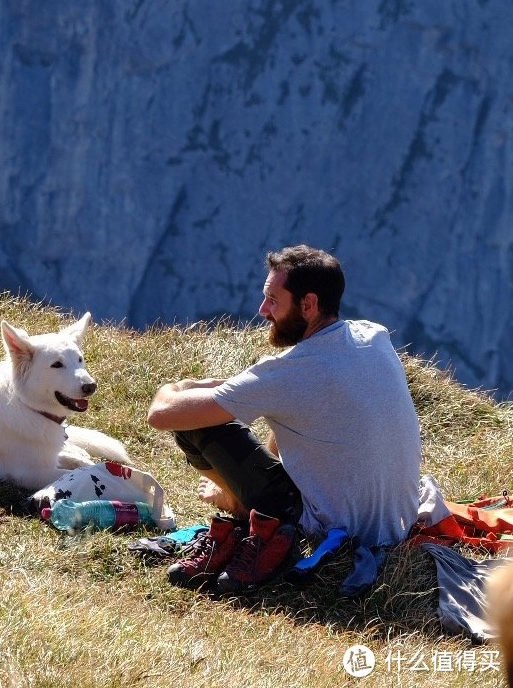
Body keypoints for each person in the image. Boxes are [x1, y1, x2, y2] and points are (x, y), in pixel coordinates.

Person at [147, 244, 421, 594]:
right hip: (396, 521)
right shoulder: (374, 336)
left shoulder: (291, 372)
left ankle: (241, 506)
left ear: (308, 305)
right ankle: (240, 496)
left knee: (196, 426)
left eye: (273, 300)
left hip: (331, 528)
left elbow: (161, 415)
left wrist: (177, 386)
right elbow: (296, 416)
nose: (263, 310)